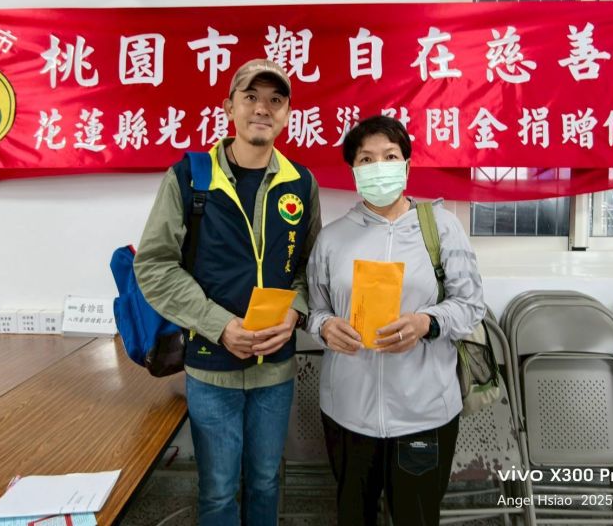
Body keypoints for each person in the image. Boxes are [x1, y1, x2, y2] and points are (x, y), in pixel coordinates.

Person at [134, 58, 321, 526]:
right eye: (250, 97)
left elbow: (311, 267)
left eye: (275, 100)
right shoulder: (189, 177)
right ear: (228, 107)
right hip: (210, 368)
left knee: (265, 481)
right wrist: (218, 325)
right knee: (217, 491)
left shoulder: (301, 182)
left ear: (287, 114)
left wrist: (295, 311)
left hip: (275, 370)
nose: (262, 108)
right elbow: (154, 266)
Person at [306, 115, 484, 526]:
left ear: (406, 165)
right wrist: (325, 327)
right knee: (355, 517)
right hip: (349, 413)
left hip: (424, 412)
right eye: (366, 159)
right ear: (354, 170)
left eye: (389, 156)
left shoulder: (441, 227)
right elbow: (314, 311)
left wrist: (426, 322)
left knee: (416, 517)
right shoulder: (332, 238)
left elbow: (471, 304)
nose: (378, 166)